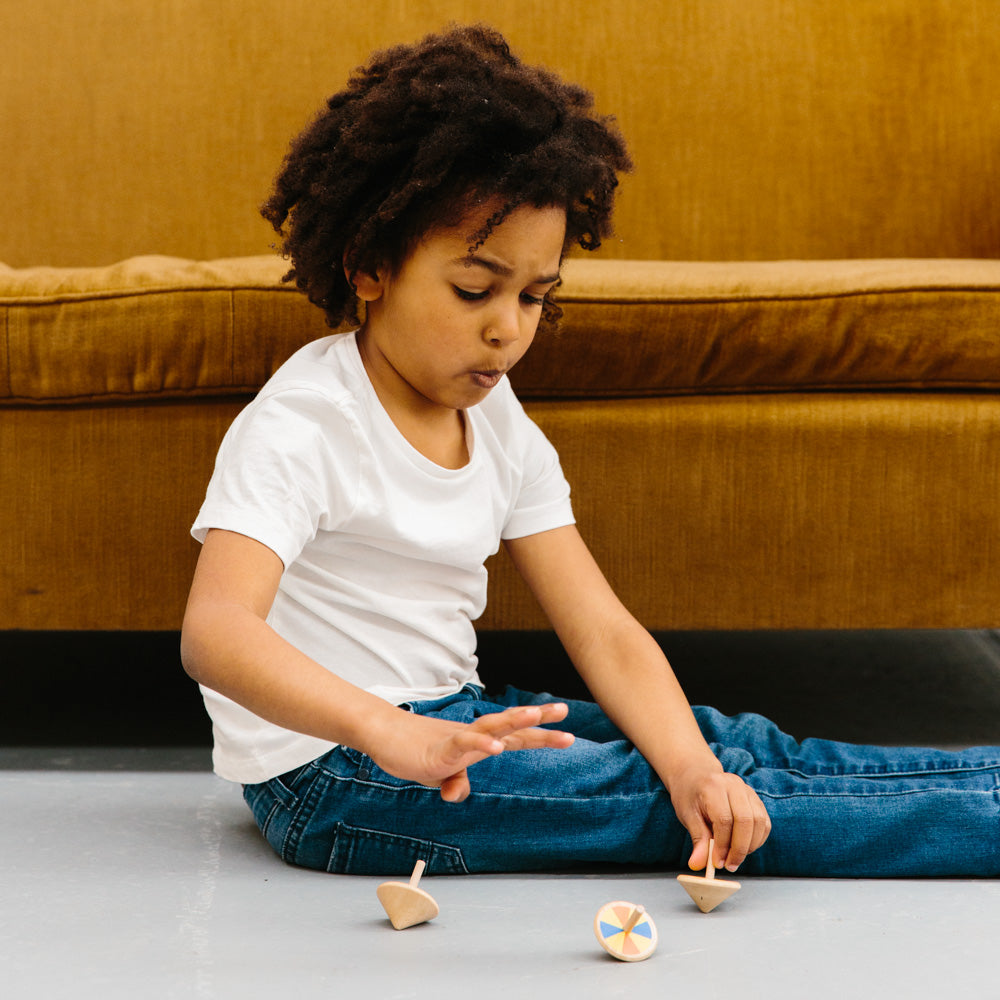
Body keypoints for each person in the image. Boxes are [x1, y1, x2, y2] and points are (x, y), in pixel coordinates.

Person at [182, 24, 1000, 880]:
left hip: (450, 717)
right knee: (666, 805)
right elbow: (216, 631)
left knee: (714, 750)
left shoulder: (496, 419)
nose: (506, 330)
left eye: (536, 297)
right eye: (473, 289)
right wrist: (389, 731)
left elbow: (604, 631)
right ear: (369, 265)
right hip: (336, 776)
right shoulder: (305, 422)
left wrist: (692, 765)